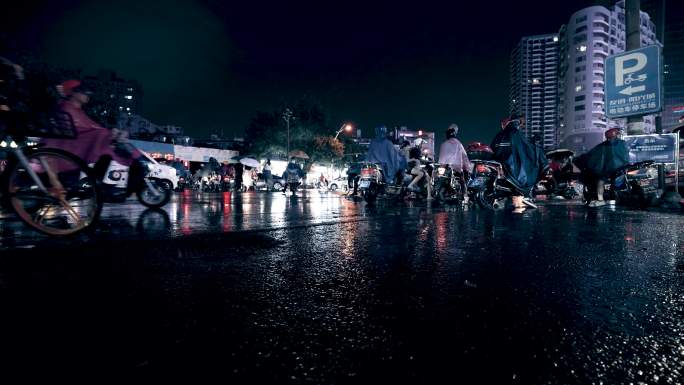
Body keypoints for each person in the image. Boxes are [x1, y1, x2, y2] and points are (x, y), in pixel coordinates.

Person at [41, 79, 145, 193]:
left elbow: (88, 126)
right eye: (83, 92)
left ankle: (103, 183)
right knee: (107, 142)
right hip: (73, 144)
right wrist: (110, 132)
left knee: (109, 147)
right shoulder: (68, 107)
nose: (87, 94)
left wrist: (111, 132)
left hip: (77, 142)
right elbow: (83, 128)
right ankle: (102, 183)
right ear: (73, 93)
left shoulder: (74, 109)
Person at [491, 115, 548, 209]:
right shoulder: (515, 134)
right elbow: (525, 149)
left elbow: (494, 149)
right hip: (510, 166)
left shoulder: (501, 134)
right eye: (518, 124)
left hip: (501, 163)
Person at [577, 128, 629, 207]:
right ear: (616, 135)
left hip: (609, 170)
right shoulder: (622, 143)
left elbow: (592, 154)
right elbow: (626, 154)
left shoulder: (604, 145)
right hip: (622, 168)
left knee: (600, 182)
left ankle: (601, 200)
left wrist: (581, 158)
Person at [438, 123, 472, 202]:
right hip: (456, 166)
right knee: (462, 180)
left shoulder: (444, 144)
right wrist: (467, 167)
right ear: (455, 133)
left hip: (444, 166)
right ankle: (465, 196)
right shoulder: (458, 143)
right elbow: (464, 157)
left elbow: (442, 157)